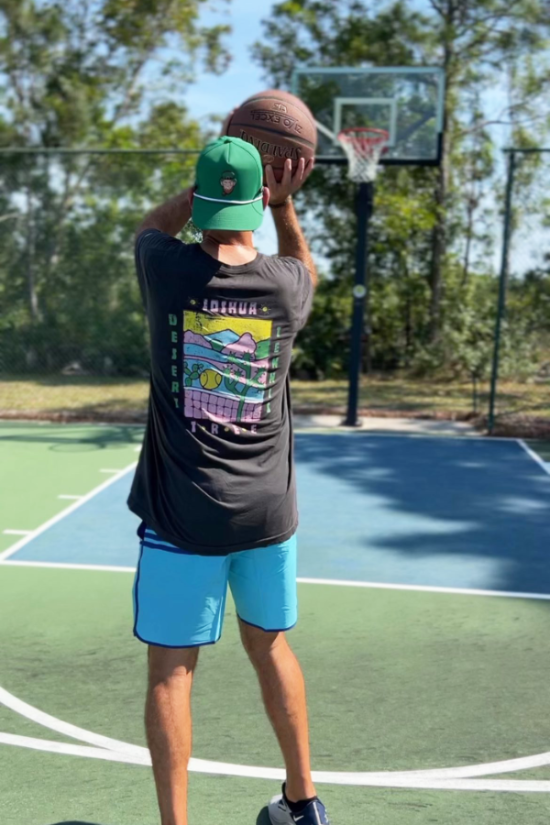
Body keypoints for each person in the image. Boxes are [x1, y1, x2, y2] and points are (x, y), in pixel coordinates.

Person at [128, 131, 329, 825]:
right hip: (267, 515)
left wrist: (204, 187)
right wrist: (284, 207)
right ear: (257, 203)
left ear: (204, 201)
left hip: (185, 515)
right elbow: (304, 263)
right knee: (270, 645)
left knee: (172, 670)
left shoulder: (165, 269)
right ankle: (303, 802)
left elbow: (150, 227)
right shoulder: (284, 284)